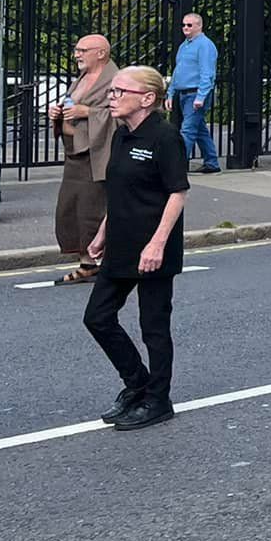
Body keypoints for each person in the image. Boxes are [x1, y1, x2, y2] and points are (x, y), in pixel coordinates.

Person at [83, 65, 188, 432]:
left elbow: (177, 193)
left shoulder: (165, 137)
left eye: (118, 93)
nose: (112, 99)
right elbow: (120, 192)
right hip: (122, 244)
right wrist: (102, 233)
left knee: (153, 327)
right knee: (97, 317)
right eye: (111, 92)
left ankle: (159, 400)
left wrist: (157, 243)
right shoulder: (121, 135)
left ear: (146, 99)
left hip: (154, 247)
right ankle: (137, 383)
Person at [50, 32, 119, 286]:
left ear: (101, 53)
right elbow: (72, 106)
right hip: (74, 153)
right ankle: (87, 263)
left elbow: (122, 114)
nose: (77, 54)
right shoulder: (82, 78)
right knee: (69, 209)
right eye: (77, 49)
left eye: (83, 50)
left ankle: (97, 263)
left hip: (97, 154)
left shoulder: (115, 79)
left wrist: (86, 111)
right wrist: (58, 113)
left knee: (93, 209)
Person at [169, 9, 221, 172]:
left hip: (195, 93)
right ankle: (212, 163)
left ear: (199, 26)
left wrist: (201, 96)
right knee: (199, 130)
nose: (185, 28)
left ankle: (176, 166)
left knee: (188, 130)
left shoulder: (205, 45)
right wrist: (171, 92)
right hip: (185, 93)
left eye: (189, 25)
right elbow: (177, 71)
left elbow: (207, 73)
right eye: (184, 25)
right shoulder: (184, 46)